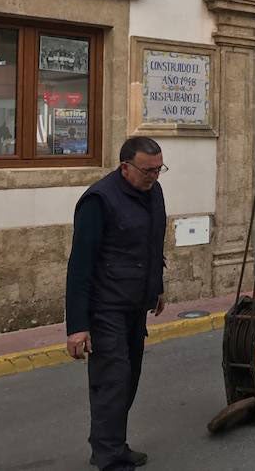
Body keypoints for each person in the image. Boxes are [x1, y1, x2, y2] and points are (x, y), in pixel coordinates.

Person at [65, 137, 168, 471]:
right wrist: (78, 327)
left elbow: (152, 244)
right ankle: (108, 457)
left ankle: (114, 445)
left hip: (135, 305)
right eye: (147, 170)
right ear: (125, 166)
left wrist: (157, 288)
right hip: (105, 306)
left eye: (158, 169)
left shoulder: (154, 192)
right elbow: (80, 265)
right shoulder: (98, 200)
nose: (154, 176)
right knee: (113, 380)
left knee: (130, 378)